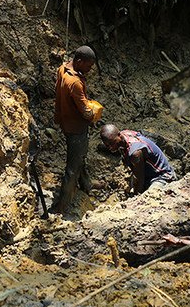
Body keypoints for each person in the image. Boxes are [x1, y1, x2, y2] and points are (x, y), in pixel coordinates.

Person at [50, 45, 103, 214]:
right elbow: (87, 113)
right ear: (79, 61)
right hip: (76, 128)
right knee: (72, 167)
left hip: (66, 121)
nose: (89, 69)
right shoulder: (75, 83)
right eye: (88, 66)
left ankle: (86, 184)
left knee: (80, 156)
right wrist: (94, 109)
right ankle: (62, 205)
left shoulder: (63, 68)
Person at [99, 124, 176, 194]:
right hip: (147, 173)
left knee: (149, 197)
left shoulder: (135, 153)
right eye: (107, 145)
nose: (110, 147)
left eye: (112, 143)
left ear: (119, 135)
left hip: (162, 176)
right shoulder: (125, 134)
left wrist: (137, 195)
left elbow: (140, 179)